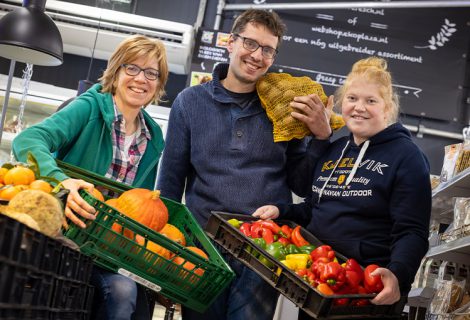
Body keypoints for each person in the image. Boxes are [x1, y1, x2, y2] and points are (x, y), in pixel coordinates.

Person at [157, 9, 332, 320]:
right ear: (230, 42)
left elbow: (302, 185)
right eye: (250, 44)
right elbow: (171, 179)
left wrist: (320, 137)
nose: (257, 56)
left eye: (267, 50)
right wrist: (166, 245)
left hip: (263, 251)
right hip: (203, 246)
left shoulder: (284, 108)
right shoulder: (189, 101)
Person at [253, 57, 432, 319]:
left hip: (364, 294)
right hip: (320, 283)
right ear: (341, 103)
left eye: (371, 101)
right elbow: (314, 208)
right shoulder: (336, 150)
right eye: (352, 99)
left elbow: (412, 231)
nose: (359, 108)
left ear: (388, 107)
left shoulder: (407, 157)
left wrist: (398, 274)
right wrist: (281, 210)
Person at [12, 34, 169, 320]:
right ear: (117, 71)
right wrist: (62, 180)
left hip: (111, 248)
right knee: (116, 293)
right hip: (66, 233)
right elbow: (28, 140)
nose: (141, 79)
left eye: (151, 73)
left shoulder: (154, 138)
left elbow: (141, 207)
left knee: (132, 298)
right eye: (131, 68)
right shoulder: (90, 107)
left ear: (159, 83)